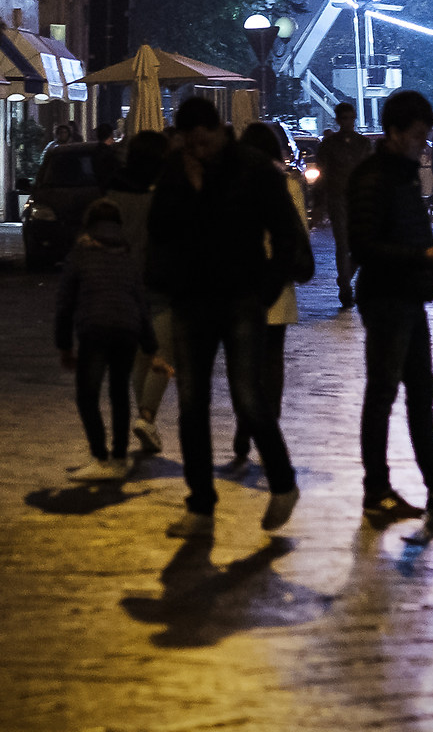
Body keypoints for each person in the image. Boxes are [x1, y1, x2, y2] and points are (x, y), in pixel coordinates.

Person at [146, 97, 314, 538]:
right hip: (191, 298)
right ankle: (200, 506)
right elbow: (159, 230)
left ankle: (282, 483)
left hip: (241, 295)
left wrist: (267, 289)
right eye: (191, 144)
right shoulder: (176, 172)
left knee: (248, 395)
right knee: (191, 403)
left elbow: (284, 233)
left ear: (221, 131)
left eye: (206, 141)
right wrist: (186, 186)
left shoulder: (253, 168)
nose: (200, 150)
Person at [347, 88, 433, 529]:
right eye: (419, 135)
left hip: (408, 296)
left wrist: (425, 264)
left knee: (421, 392)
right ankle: (377, 491)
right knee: (383, 393)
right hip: (386, 297)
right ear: (395, 132)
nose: (424, 145)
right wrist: (422, 258)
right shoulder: (373, 178)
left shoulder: (401, 174)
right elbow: (365, 247)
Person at [57, 196, 161, 481]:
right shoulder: (126, 253)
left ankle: (100, 456)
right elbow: (141, 303)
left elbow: (65, 301)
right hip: (126, 329)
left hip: (95, 327)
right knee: (118, 393)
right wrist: (151, 348)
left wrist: (64, 345)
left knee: (88, 394)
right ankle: (118, 458)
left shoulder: (81, 250)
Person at [229, 121, 308, 469]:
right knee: (272, 360)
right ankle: (266, 427)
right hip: (278, 281)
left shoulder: (230, 181)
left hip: (242, 282)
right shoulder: (287, 183)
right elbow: (298, 234)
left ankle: (246, 427)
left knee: (243, 361)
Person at [107, 130, 174, 456]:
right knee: (162, 355)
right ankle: (146, 416)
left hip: (122, 284)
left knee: (139, 358)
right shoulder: (162, 194)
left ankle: (144, 418)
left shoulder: (113, 194)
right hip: (158, 280)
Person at [314, 102, 373, 309]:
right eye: (344, 118)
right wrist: (318, 203)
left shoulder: (363, 143)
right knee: (342, 244)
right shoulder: (329, 145)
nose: (348, 122)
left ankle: (346, 276)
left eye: (351, 118)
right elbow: (322, 174)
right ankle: (346, 287)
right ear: (338, 120)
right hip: (337, 196)